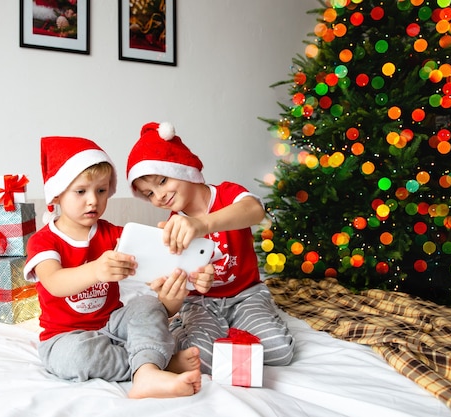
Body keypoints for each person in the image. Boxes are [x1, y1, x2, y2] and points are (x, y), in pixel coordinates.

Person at [23, 136, 203, 399]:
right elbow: (54, 282)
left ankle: (147, 370)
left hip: (113, 323)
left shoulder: (114, 234)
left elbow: (152, 256)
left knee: (148, 304)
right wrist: (96, 270)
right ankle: (150, 363)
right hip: (65, 336)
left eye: (101, 190)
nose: (93, 201)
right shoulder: (43, 241)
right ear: (58, 194)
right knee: (76, 357)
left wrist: (171, 250)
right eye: (81, 191)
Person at [126, 122, 295, 375]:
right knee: (199, 359)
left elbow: (255, 211)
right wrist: (183, 285)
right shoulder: (171, 225)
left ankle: (232, 331)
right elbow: (183, 278)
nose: (159, 196)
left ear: (183, 168)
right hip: (200, 303)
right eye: (149, 193)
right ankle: (190, 331)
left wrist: (201, 224)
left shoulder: (228, 194)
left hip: (246, 294)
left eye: (162, 180)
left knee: (279, 351)